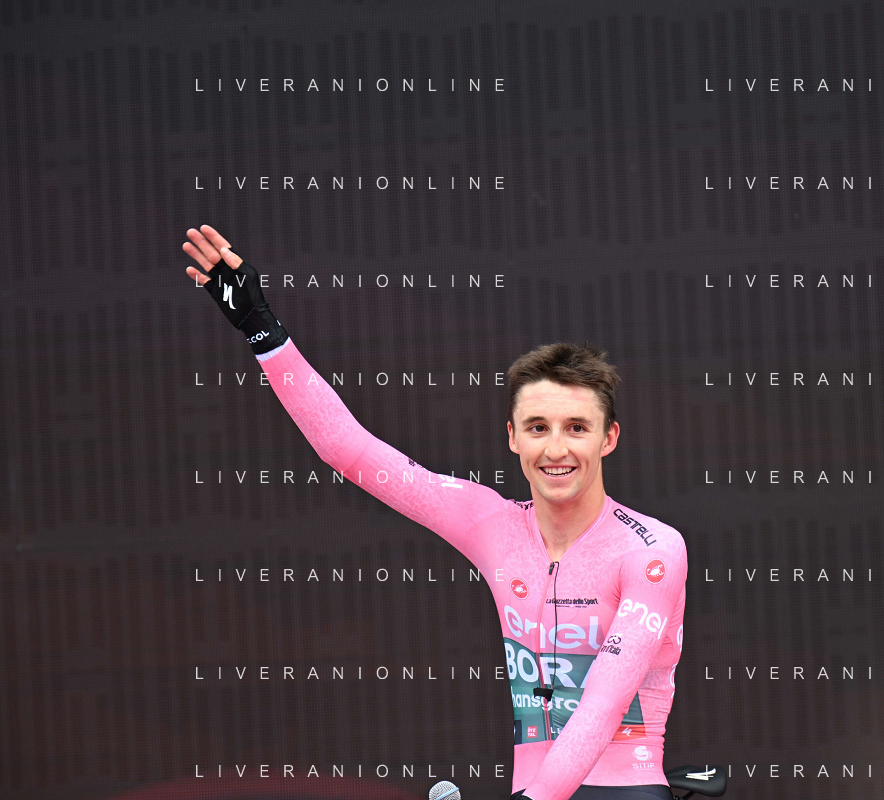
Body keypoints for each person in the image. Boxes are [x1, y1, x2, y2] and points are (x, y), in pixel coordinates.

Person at [182, 225, 689, 800]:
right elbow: (348, 450)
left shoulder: (651, 548)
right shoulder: (494, 526)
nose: (556, 449)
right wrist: (263, 331)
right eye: (537, 428)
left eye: (577, 428)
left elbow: (602, 704)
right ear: (512, 438)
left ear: (609, 438)